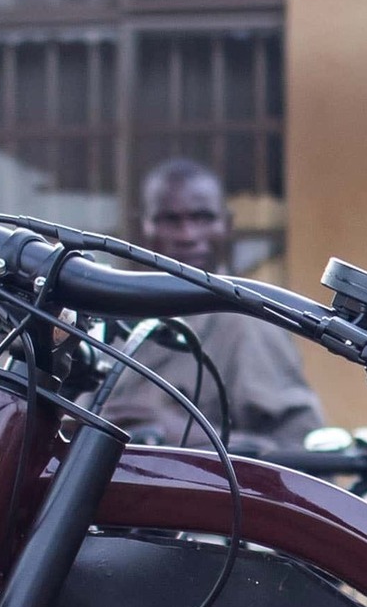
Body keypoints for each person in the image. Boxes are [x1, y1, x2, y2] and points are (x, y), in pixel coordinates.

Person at [104, 156, 326, 449]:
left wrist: (183, 434)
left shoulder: (245, 321)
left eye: (203, 218)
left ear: (227, 225)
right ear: (143, 227)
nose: (188, 236)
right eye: (170, 220)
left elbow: (302, 451)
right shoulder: (114, 314)